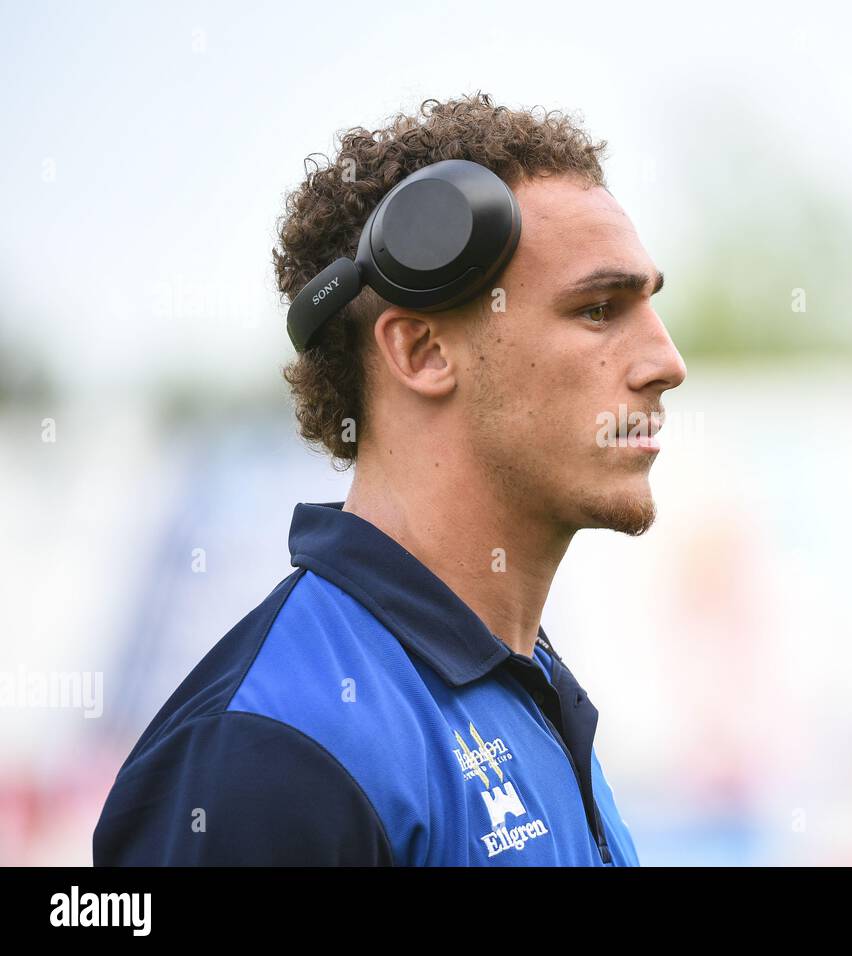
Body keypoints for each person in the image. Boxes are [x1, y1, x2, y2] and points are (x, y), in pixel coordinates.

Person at [92, 92, 687, 866]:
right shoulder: (275, 748)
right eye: (599, 309)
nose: (666, 364)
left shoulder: (524, 691)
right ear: (422, 351)